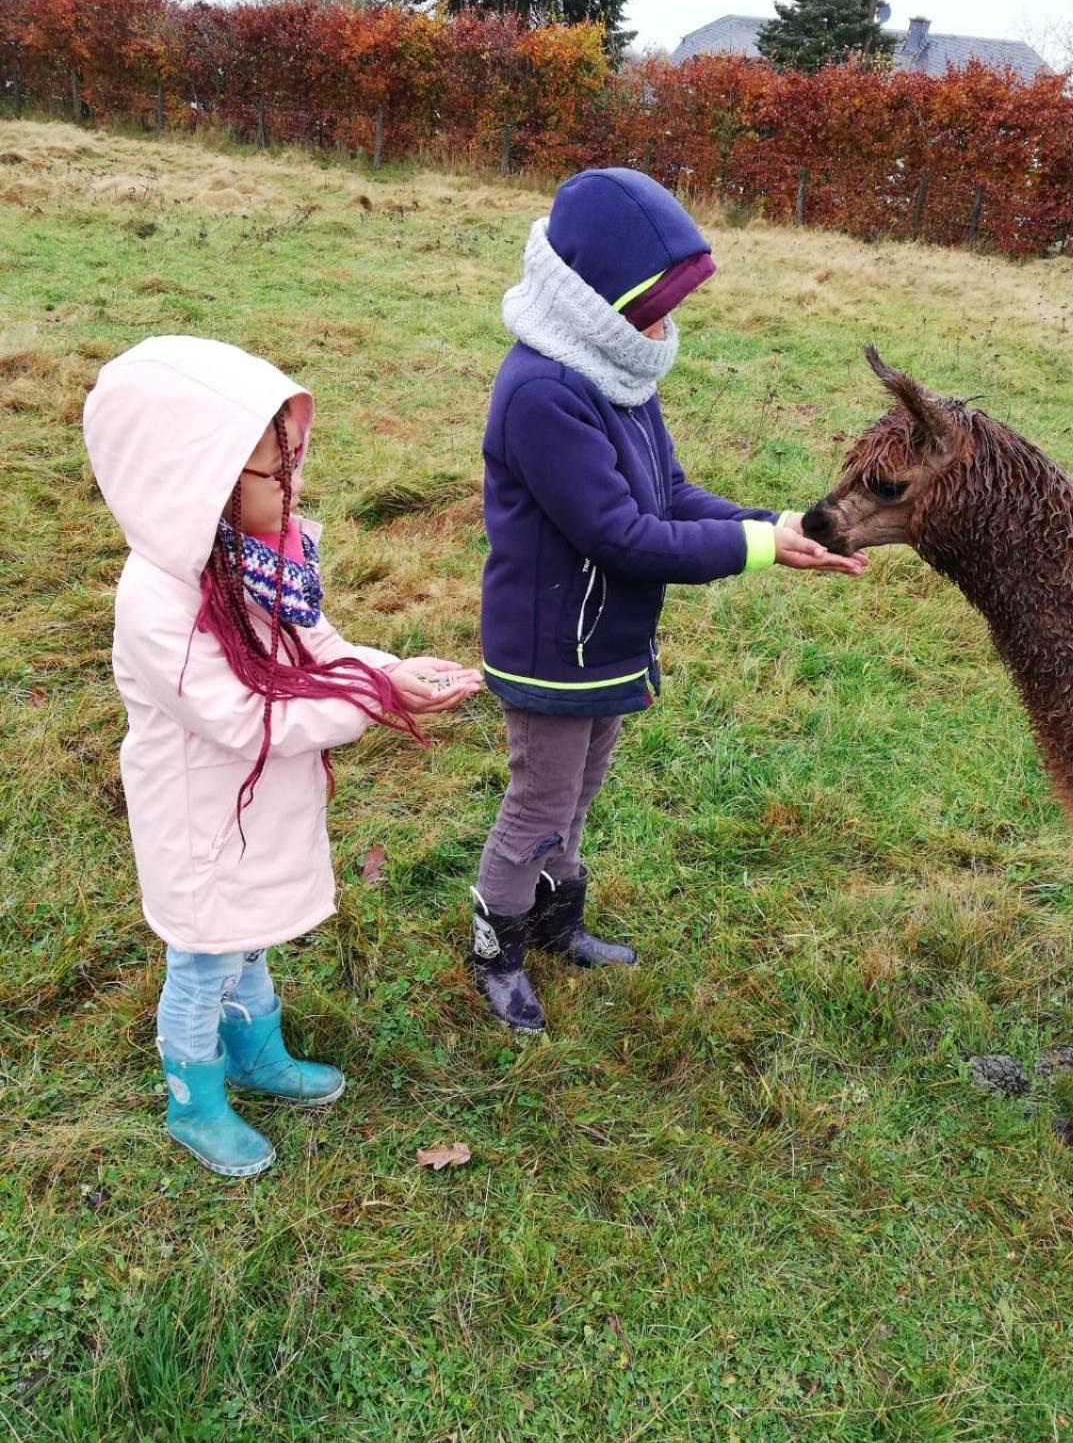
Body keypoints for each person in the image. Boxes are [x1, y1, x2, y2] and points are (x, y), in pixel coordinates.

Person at [470, 169, 866, 1033]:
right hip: (551, 649)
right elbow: (622, 533)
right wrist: (756, 549)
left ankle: (555, 920)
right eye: (650, 306)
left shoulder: (617, 373)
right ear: (593, 297)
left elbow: (672, 494)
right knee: (538, 802)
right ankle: (495, 947)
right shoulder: (544, 393)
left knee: (579, 793)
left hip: (604, 638)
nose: (663, 327)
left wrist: (774, 522)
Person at [84, 335, 481, 1176]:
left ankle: (257, 1051)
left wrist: (386, 671)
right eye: (277, 472)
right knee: (204, 951)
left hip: (254, 801)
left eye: (292, 463)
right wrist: (371, 700)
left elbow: (317, 645)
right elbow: (240, 717)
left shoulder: (261, 563)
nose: (293, 485)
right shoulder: (158, 600)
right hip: (199, 809)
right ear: (206, 486)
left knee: (250, 930)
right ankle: (193, 1092)